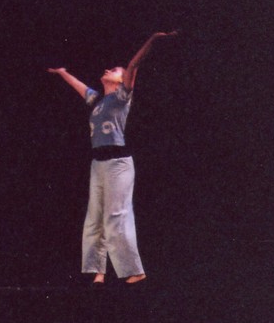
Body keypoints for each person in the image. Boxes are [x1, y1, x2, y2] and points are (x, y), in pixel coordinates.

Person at [47, 30, 179, 286]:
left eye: (115, 70)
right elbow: (78, 86)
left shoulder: (121, 98)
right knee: (94, 218)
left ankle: (135, 270)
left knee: (115, 217)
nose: (109, 70)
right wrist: (62, 73)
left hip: (118, 162)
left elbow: (134, 65)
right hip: (98, 163)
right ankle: (98, 271)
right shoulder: (97, 100)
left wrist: (152, 39)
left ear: (121, 80)